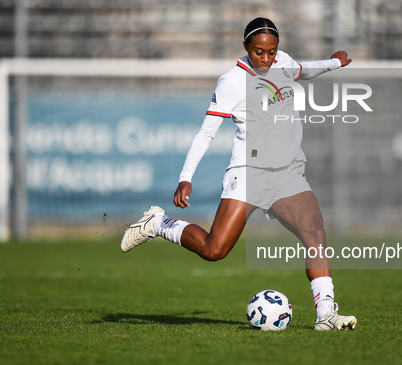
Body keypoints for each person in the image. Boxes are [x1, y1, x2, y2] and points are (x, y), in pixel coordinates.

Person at [120, 17, 356, 331]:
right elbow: (206, 133)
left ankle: (325, 315)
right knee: (213, 250)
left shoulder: (282, 62)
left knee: (316, 234)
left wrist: (334, 63)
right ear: (245, 47)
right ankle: (159, 223)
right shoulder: (231, 81)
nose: (267, 58)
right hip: (249, 173)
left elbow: (304, 69)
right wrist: (185, 176)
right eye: (259, 51)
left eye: (272, 51)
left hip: (288, 172)